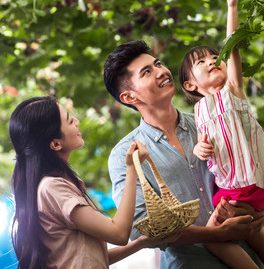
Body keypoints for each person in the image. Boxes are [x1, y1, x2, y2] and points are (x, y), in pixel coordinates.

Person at [105, 40, 264, 269]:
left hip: (254, 257)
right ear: (129, 97)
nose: (161, 72)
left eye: (157, 64)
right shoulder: (125, 156)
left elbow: (261, 172)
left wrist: (261, 209)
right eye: (147, 72)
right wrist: (215, 234)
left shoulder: (213, 120)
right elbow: (139, 227)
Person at [178, 0, 264, 269]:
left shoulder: (232, 91)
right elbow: (206, 147)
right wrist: (200, 150)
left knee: (214, 237)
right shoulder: (201, 111)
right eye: (201, 62)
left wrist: (233, 6)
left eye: (216, 57)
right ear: (190, 84)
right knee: (263, 248)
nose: (212, 61)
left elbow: (232, 44)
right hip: (235, 185)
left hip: (246, 183)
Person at [9, 95, 167, 269]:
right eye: (69, 121)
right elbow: (119, 233)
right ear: (55, 144)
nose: (76, 121)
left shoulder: (56, 183)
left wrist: (141, 243)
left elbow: (91, 257)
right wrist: (132, 169)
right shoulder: (52, 187)